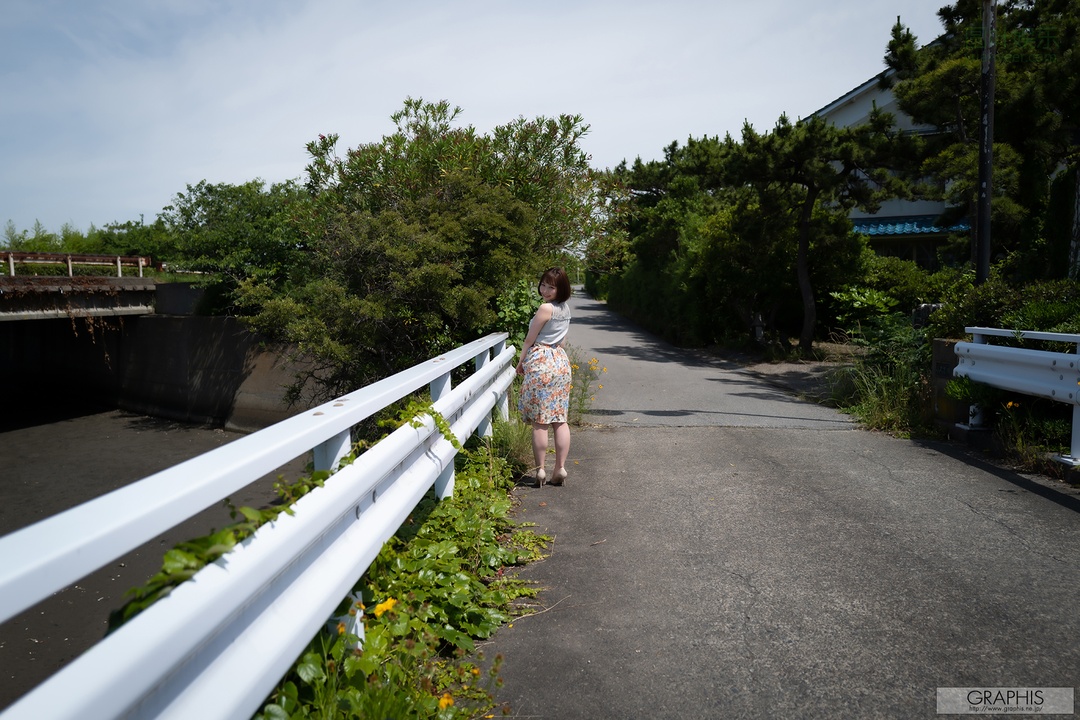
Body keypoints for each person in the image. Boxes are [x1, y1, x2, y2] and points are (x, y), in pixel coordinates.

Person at [515, 267, 572, 487]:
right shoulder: (565, 309)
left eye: (552, 286)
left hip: (541, 361)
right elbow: (563, 341)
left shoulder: (544, 308)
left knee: (540, 422)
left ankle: (540, 471)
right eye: (544, 285)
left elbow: (529, 339)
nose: (546, 290)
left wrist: (521, 363)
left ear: (561, 288)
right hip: (560, 361)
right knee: (560, 418)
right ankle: (560, 468)